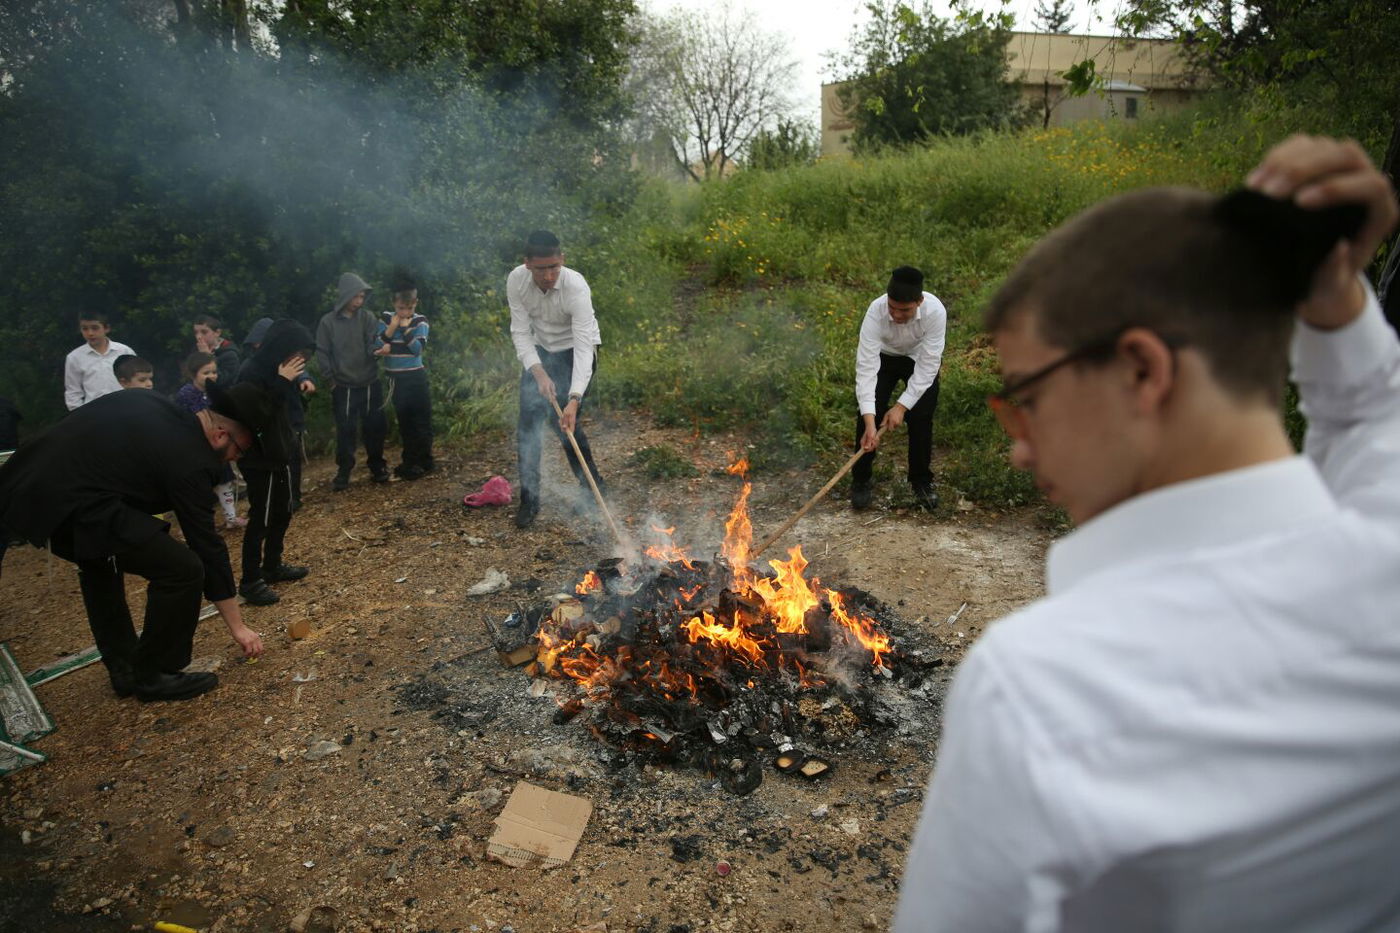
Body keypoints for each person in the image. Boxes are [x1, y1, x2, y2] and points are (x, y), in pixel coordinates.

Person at [894, 136, 1400, 931]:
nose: (1018, 443)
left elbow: (1372, 408)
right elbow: (1375, 413)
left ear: (1141, 370)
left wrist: (1332, 299)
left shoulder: (1040, 690)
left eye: (1025, 396)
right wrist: (1334, 295)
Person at [0, 385, 271, 702]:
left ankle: (125, 669)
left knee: (100, 561)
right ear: (220, 435)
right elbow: (206, 546)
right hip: (67, 498)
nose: (236, 459)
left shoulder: (154, 403)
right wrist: (238, 627)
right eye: (239, 451)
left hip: (29, 485)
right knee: (181, 569)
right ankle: (155, 673)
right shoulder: (191, 459)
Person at [507, 229, 605, 529]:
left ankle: (592, 488)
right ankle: (529, 500)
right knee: (528, 428)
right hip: (540, 353)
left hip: (575, 351)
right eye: (540, 269)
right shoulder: (516, 281)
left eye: (553, 267)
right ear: (527, 264)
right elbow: (520, 332)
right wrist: (538, 371)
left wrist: (574, 398)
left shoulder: (576, 287)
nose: (548, 276)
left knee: (566, 426)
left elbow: (585, 346)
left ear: (561, 259)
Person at [851, 266, 947, 511]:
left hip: (918, 359)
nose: (895, 314)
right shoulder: (876, 310)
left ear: (919, 301)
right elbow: (866, 368)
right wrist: (871, 421)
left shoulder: (935, 311)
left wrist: (901, 407)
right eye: (892, 307)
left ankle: (921, 481)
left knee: (921, 416)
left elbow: (929, 365)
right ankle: (861, 480)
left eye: (904, 310)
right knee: (868, 411)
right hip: (885, 358)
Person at [234, 320, 316, 606]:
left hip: (279, 450)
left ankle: (272, 565)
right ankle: (250, 580)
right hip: (259, 458)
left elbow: (284, 409)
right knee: (262, 517)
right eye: (298, 353)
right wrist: (282, 381)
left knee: (283, 511)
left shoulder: (281, 369)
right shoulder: (252, 371)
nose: (301, 360)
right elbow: (256, 414)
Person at [315, 273, 387, 491]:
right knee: (346, 431)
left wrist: (377, 350)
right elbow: (322, 352)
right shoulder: (328, 322)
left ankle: (377, 467)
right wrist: (330, 379)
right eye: (356, 296)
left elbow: (373, 343)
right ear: (346, 296)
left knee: (375, 428)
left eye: (362, 296)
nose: (359, 301)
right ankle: (344, 471)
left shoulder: (367, 318)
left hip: (369, 381)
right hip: (343, 385)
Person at [246, 317, 314, 509]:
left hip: (291, 417)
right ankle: (278, 499)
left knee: (293, 459)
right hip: (268, 425)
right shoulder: (252, 368)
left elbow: (300, 369)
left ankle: (293, 497)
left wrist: (304, 380)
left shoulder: (284, 359)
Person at [175, 351, 245, 530]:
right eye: (206, 373)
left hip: (218, 446)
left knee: (225, 482)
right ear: (193, 374)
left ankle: (231, 517)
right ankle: (204, 524)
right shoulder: (186, 394)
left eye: (214, 372)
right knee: (203, 487)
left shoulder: (216, 391)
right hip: (197, 447)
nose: (211, 376)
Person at [375, 277, 435, 480]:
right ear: (394, 303)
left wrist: (406, 329)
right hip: (396, 379)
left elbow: (417, 349)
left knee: (422, 419)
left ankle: (425, 459)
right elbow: (378, 342)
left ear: (415, 304)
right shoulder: (384, 318)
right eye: (401, 308)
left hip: (416, 376)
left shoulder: (420, 321)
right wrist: (393, 326)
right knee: (406, 421)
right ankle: (410, 461)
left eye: (409, 308)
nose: (404, 313)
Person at [64, 312, 135, 410]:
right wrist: (81, 416)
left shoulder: (124, 351)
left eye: (95, 328)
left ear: (107, 328)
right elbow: (73, 392)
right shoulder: (75, 357)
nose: (90, 333)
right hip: (93, 413)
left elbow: (136, 381)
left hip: (125, 408)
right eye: (85, 329)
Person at [193, 314, 241, 386]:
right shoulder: (197, 350)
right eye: (196, 332)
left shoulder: (230, 354)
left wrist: (207, 356)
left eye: (204, 332)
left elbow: (222, 381)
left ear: (217, 332)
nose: (198, 336)